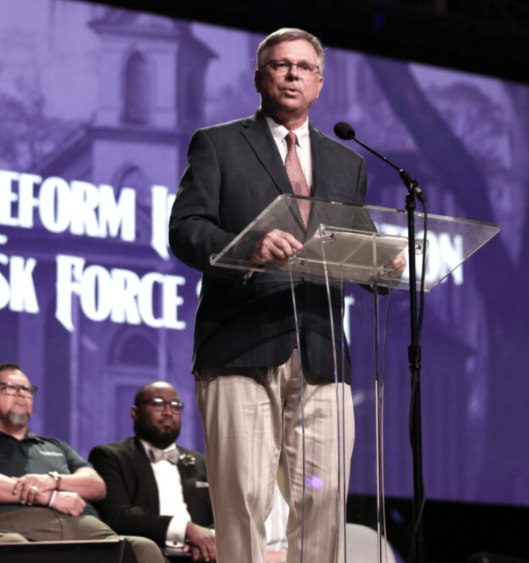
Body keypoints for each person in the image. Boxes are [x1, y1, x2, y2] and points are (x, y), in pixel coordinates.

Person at [169, 28, 405, 563]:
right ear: (260, 78)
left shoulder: (348, 163)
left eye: (304, 66)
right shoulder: (220, 143)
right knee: (245, 500)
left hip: (322, 352)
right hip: (241, 345)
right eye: (280, 65)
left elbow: (354, 245)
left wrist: (383, 265)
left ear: (320, 82)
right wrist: (249, 247)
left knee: (322, 504)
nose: (292, 74)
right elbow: (186, 229)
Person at [0, 362, 164, 563]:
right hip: (4, 528)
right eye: (9, 387)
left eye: (27, 389)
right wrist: (49, 497)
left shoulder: (55, 446)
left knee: (142, 548)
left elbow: (96, 485)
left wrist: (52, 481)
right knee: (15, 550)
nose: (21, 394)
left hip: (83, 528)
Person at [89, 381, 216, 562]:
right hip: (148, 554)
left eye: (175, 406)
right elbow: (117, 516)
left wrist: (209, 537)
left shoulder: (202, 462)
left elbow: (221, 513)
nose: (168, 411)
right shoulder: (110, 456)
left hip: (202, 555)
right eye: (157, 403)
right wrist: (185, 530)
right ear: (135, 412)